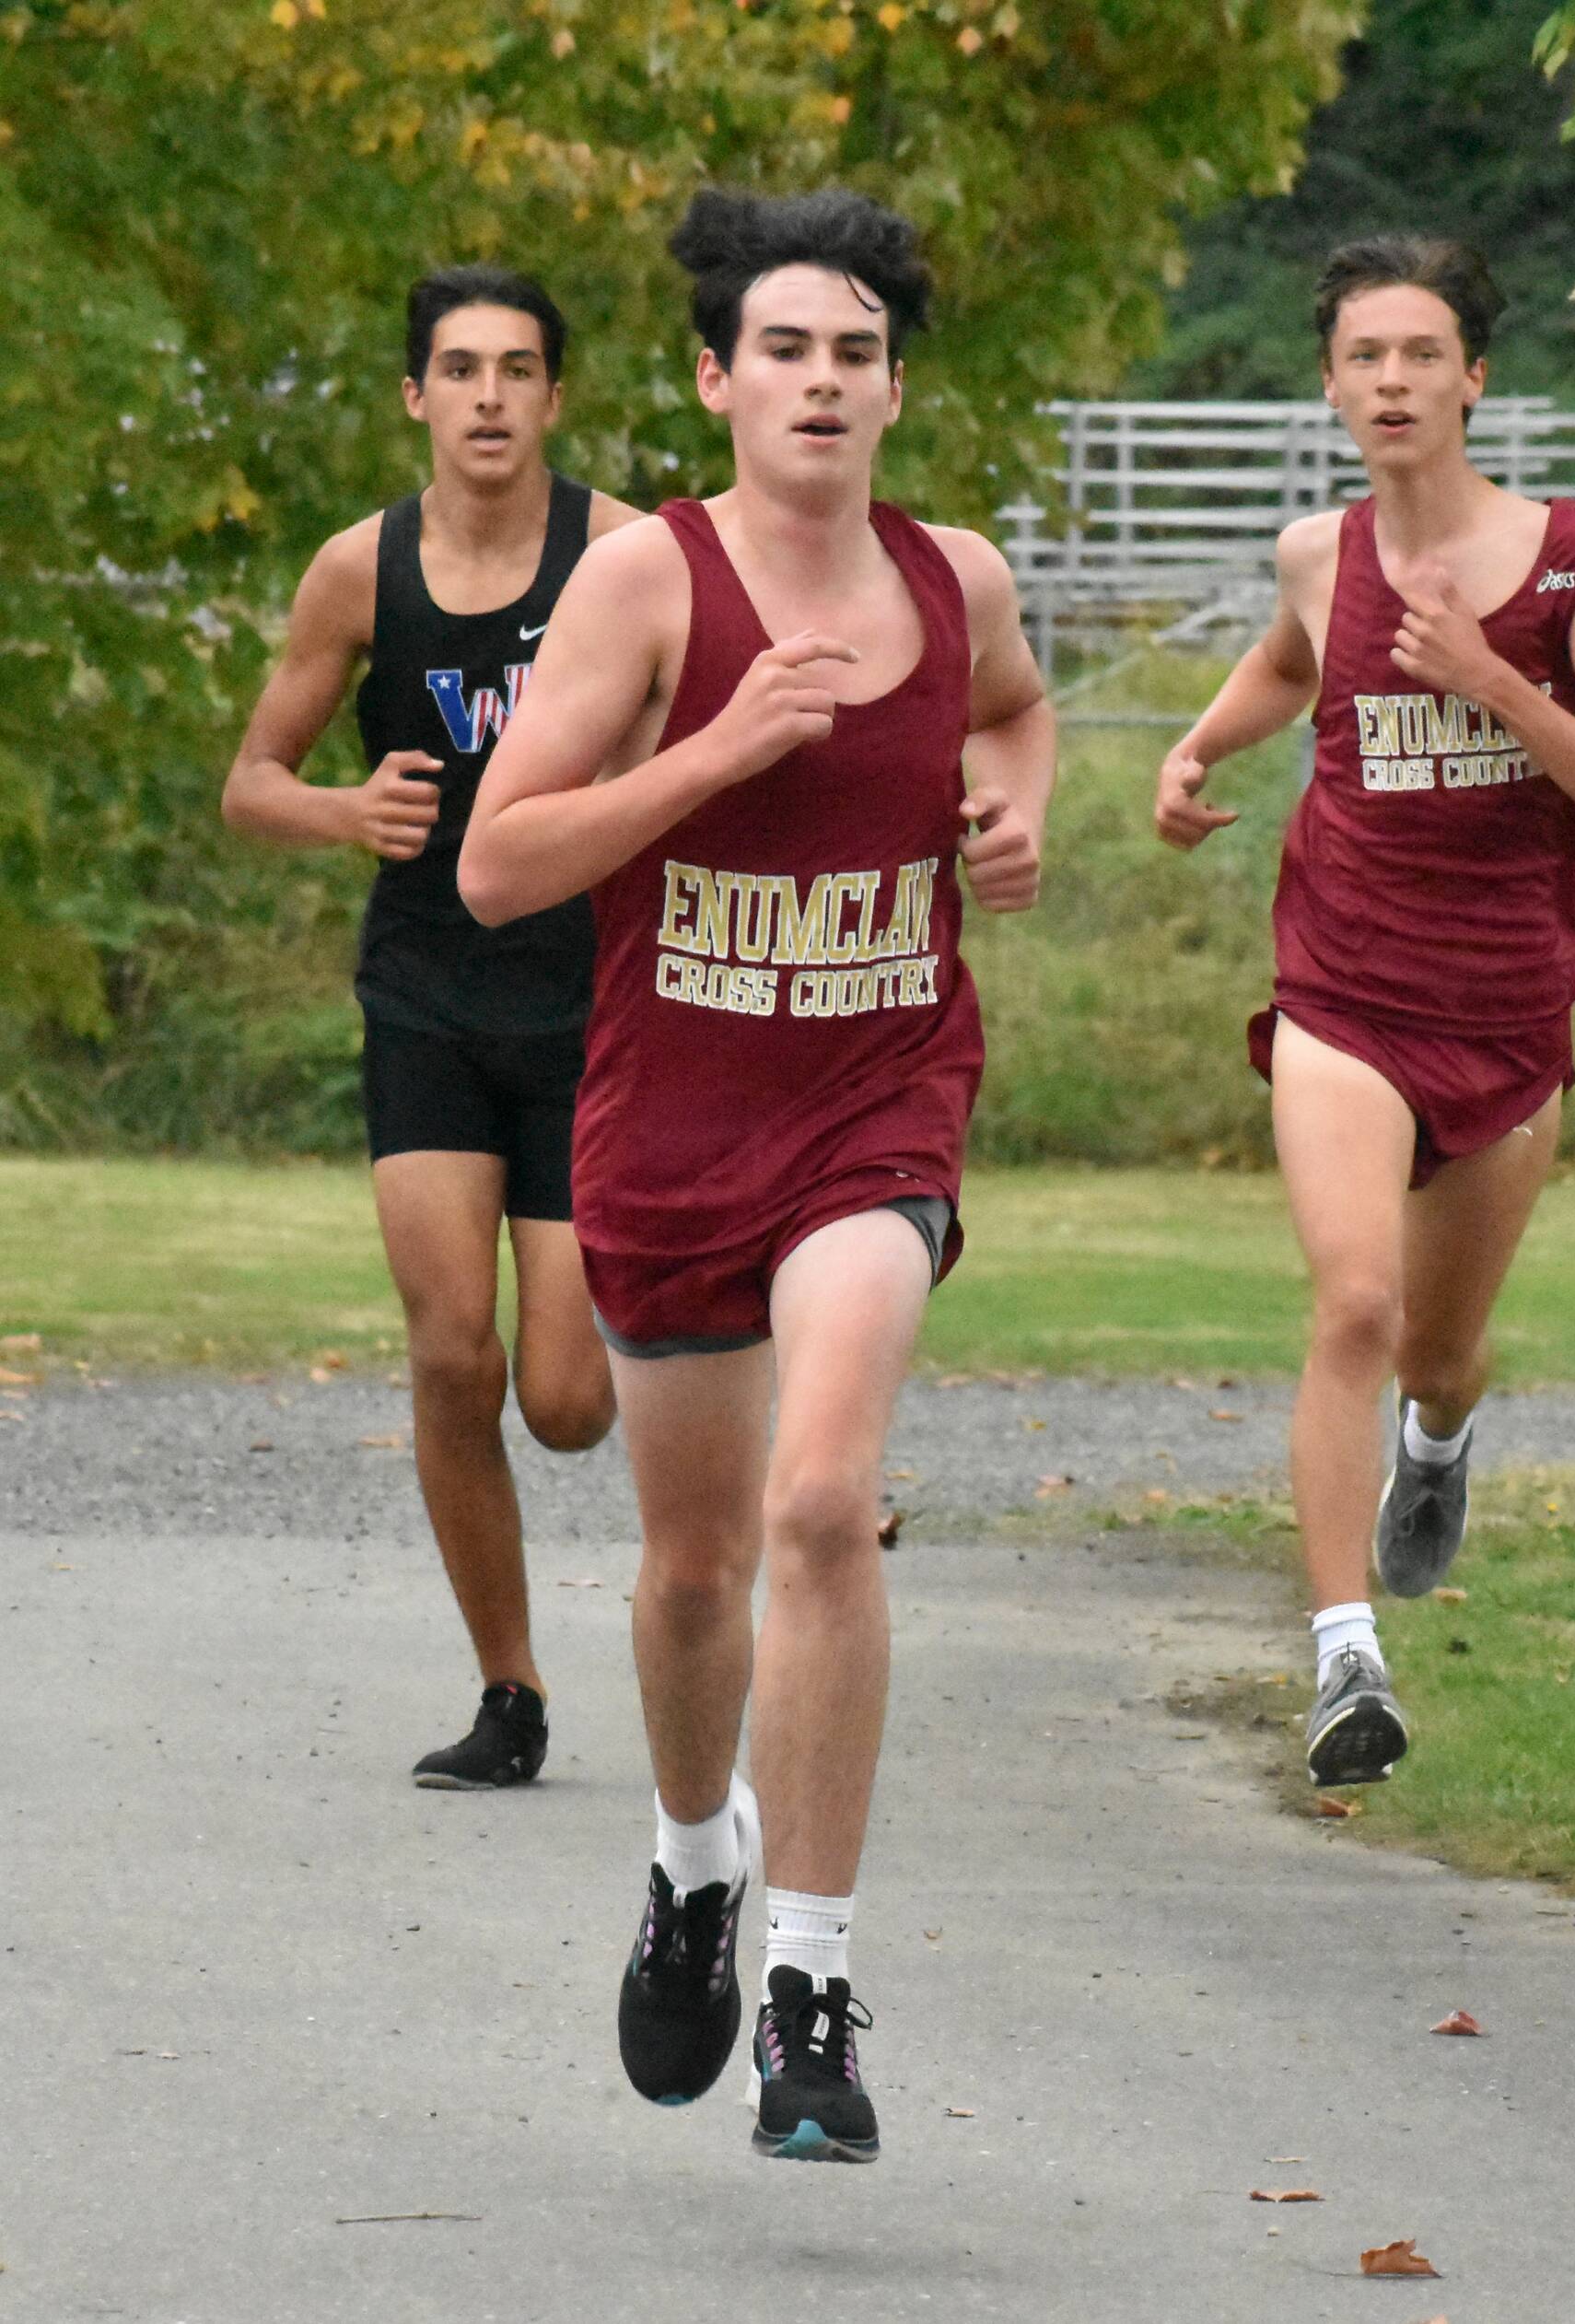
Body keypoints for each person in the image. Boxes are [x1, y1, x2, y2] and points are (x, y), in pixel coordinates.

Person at [459, 186, 1054, 2162]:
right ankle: (692, 1859)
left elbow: (1015, 711)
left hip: (879, 1098)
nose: (821, 380)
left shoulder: (955, 579)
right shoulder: (647, 584)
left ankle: (808, 1986)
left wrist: (1012, 812)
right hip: (673, 1127)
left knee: (822, 1503)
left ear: (896, 388)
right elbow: (499, 864)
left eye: (855, 351)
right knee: (696, 1570)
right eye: (784, 348)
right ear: (716, 380)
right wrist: (717, 752)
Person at [1154, 235, 1575, 1789]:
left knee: (1439, 1353)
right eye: (1365, 356)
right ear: (1332, 386)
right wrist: (1197, 751)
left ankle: (1436, 1442)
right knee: (1356, 1311)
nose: (1393, 380)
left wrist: (1495, 682)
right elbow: (1285, 666)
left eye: (1422, 354)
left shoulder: (1566, 558)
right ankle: (1345, 1660)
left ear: (1473, 380)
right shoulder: (1319, 555)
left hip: (1507, 1009)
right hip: (1344, 989)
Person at [223, 266, 636, 1789]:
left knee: (569, 1404)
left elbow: (718, 741)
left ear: (554, 397)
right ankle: (509, 1690)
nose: (487, 397)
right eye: (459, 370)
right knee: (453, 1353)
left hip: (591, 1004)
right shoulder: (359, 571)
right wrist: (346, 809)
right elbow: (252, 782)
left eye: (516, 369)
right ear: (416, 396)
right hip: (426, 999)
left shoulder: (624, 556)